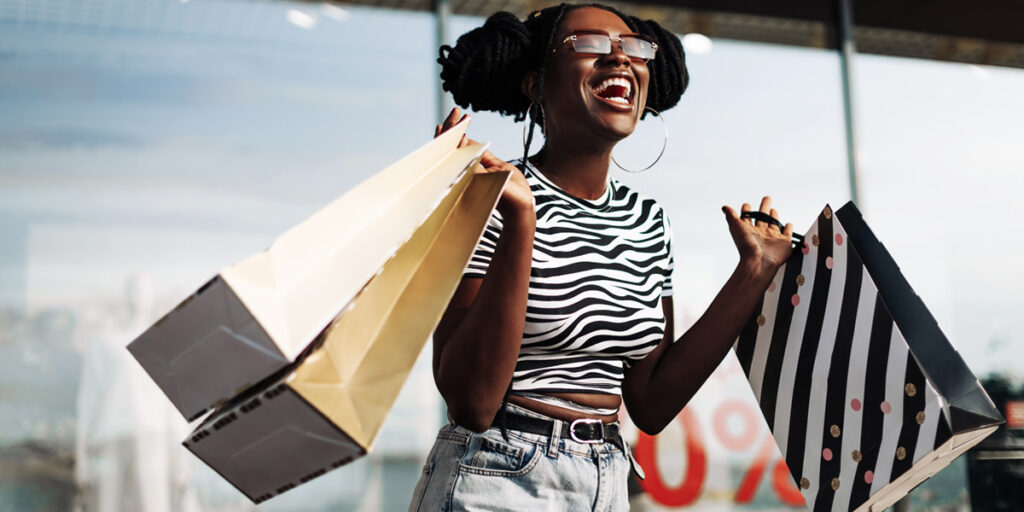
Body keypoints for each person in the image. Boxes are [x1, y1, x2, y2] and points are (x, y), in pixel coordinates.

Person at [409, 3, 795, 511]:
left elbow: (651, 402)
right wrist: (521, 219)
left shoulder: (647, 221)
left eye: (634, 48)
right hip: (495, 478)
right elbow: (472, 404)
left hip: (607, 479)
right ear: (536, 86)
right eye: (589, 44)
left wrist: (754, 273)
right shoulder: (491, 195)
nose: (619, 58)